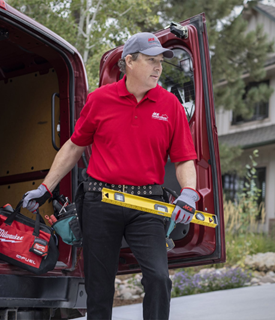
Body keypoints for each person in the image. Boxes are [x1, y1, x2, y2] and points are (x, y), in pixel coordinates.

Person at [22, 32, 199, 320]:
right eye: (151, 60)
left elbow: (183, 159)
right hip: (100, 202)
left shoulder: (170, 107)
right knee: (99, 287)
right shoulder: (100, 100)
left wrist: (189, 191)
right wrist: (45, 187)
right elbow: (74, 146)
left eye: (160, 62)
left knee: (158, 278)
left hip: (147, 206)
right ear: (129, 61)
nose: (158, 67)